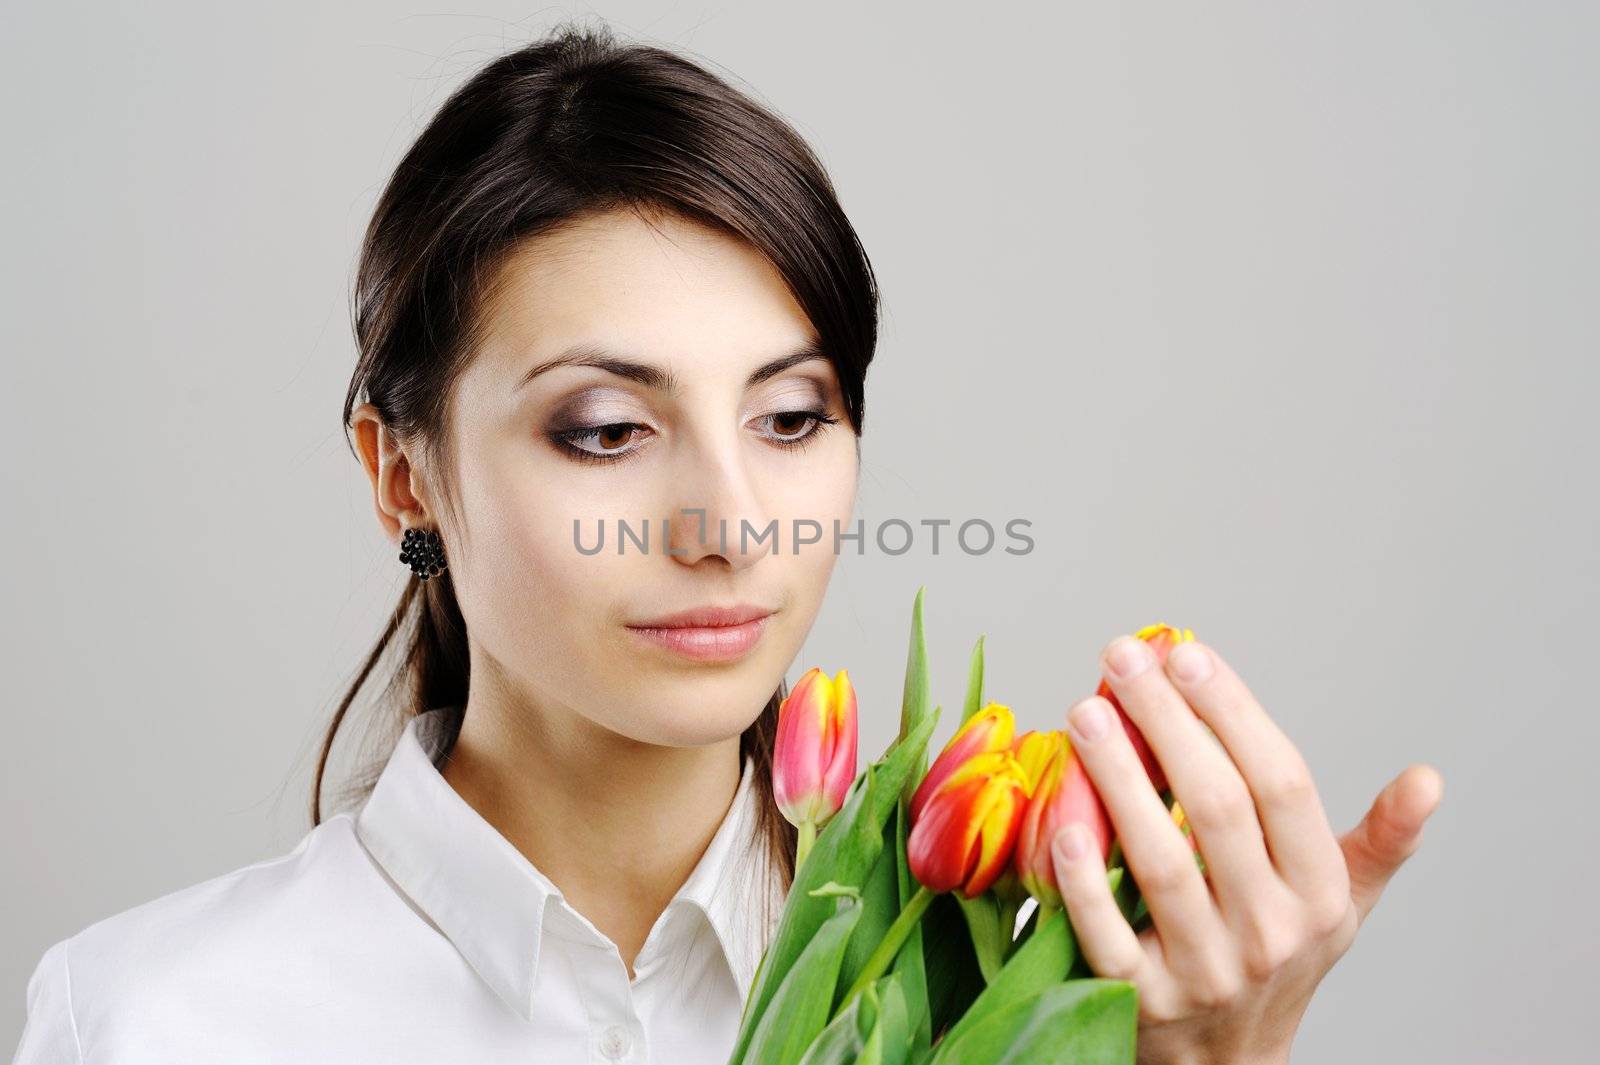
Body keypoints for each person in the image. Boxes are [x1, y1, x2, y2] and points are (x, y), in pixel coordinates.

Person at [11, 20, 1442, 1065]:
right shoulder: (151, 1020)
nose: (729, 521)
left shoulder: (1020, 983)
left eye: (791, 414)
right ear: (402, 474)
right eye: (604, 430)